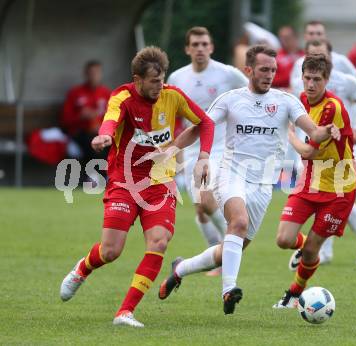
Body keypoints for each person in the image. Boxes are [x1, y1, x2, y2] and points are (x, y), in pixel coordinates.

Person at [158, 45, 341, 315]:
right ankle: (228, 289)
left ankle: (180, 269)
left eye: (273, 70)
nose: (269, 75)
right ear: (248, 70)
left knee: (233, 248)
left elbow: (312, 130)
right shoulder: (231, 99)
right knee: (239, 222)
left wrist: (326, 131)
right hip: (231, 174)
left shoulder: (286, 101)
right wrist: (170, 149)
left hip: (263, 186)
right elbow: (201, 127)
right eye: (264, 69)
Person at [59, 46, 215, 328]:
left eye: (162, 79)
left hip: (160, 182)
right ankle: (82, 269)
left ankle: (125, 312)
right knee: (111, 251)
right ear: (137, 78)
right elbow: (109, 120)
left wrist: (203, 157)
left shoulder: (172, 96)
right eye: (154, 81)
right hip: (125, 181)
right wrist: (104, 137)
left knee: (159, 242)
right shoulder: (123, 96)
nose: (160, 85)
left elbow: (205, 122)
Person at [273, 54, 356, 308]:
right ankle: (303, 248)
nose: (310, 84)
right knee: (283, 240)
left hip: (339, 190)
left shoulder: (332, 107)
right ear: (301, 77)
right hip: (310, 181)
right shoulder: (301, 100)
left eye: (317, 80)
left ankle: (294, 293)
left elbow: (309, 151)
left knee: (312, 251)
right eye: (307, 78)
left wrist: (288, 134)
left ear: (327, 80)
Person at [167, 27, 248, 276]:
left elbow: (251, 91)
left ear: (211, 47)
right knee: (201, 207)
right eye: (195, 44)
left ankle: (234, 242)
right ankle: (219, 253)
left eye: (204, 44)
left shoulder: (228, 74)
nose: (200, 48)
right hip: (192, 150)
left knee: (205, 197)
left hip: (221, 147)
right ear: (187, 49)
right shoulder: (177, 78)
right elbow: (171, 115)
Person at [290, 40, 356, 265]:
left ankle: (327, 249)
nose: (311, 83)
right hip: (312, 143)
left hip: (339, 145)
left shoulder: (345, 78)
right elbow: (297, 106)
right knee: (332, 196)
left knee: (336, 194)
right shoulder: (301, 75)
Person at [61, 60, 111, 181]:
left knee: (110, 141)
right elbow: (65, 120)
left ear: (101, 74)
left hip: (102, 132)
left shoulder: (107, 93)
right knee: (92, 140)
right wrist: (80, 117)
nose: (94, 76)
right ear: (86, 74)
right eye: (91, 73)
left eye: (97, 73)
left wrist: (102, 126)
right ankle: (94, 175)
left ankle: (108, 175)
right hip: (80, 133)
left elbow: (114, 119)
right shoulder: (75, 93)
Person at [289, 20, 356, 91]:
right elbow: (293, 88)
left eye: (319, 33)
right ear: (305, 36)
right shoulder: (299, 63)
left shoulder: (341, 60)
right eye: (311, 33)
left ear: (325, 35)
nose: (315, 37)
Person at [272, 26, 304, 90]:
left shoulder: (304, 55)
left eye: (287, 37)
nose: (283, 40)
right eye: (281, 37)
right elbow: (271, 77)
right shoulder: (275, 56)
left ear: (295, 37)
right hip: (279, 91)